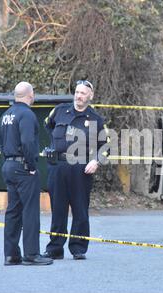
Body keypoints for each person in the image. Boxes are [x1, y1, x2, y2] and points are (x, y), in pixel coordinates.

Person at [43, 80, 107, 260]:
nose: (79, 96)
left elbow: (106, 146)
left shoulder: (95, 119)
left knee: (80, 209)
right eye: (77, 92)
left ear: (90, 96)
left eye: (83, 93)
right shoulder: (60, 111)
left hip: (80, 169)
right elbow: (48, 126)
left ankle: (78, 248)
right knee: (58, 209)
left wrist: (96, 161)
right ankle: (55, 248)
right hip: (58, 167)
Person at [0, 81, 53, 266]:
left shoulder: (6, 115)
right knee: (30, 211)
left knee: (13, 211)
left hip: (8, 166)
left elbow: (0, 142)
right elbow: (28, 142)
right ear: (31, 95)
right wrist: (30, 165)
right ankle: (31, 254)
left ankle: (11, 254)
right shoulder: (27, 115)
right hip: (23, 168)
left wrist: (9, 162)